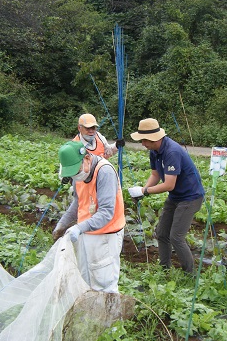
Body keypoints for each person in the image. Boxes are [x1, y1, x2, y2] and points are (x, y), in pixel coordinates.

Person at [128, 118, 205, 275]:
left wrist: (145, 192)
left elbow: (169, 184)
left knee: (176, 237)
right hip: (176, 196)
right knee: (162, 233)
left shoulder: (172, 152)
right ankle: (164, 269)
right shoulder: (154, 151)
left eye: (144, 140)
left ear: (153, 138)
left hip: (190, 197)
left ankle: (190, 274)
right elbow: (155, 175)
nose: (142, 144)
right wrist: (142, 189)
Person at [52, 141, 125, 293]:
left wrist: (79, 227)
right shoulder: (78, 175)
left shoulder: (104, 172)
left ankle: (108, 315)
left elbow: (106, 213)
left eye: (76, 170)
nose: (75, 175)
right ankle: (91, 315)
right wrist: (62, 225)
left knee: (104, 282)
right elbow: (79, 202)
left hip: (106, 235)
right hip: (86, 232)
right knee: (86, 279)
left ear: (87, 158)